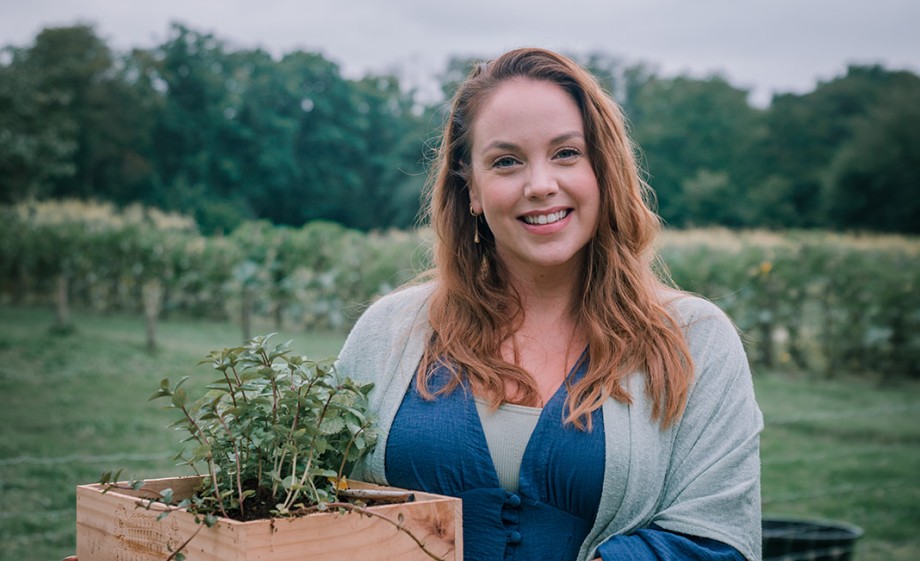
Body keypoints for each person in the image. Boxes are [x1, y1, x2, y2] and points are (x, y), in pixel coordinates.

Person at [337, 47, 763, 561]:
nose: (541, 185)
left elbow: (718, 542)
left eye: (566, 153)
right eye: (506, 161)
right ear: (471, 188)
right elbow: (312, 508)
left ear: (603, 170)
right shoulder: (390, 332)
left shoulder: (694, 340)